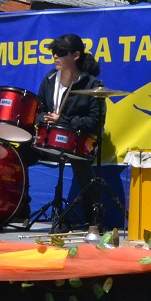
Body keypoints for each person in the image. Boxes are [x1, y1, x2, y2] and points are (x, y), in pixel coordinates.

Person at [33, 33, 105, 227]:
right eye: (54, 53)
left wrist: (63, 120)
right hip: (47, 137)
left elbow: (95, 123)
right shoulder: (49, 79)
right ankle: (18, 209)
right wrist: (43, 118)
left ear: (76, 56)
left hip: (76, 142)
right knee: (18, 153)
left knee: (80, 162)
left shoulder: (91, 84)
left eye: (61, 53)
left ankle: (94, 219)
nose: (56, 57)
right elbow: (37, 110)